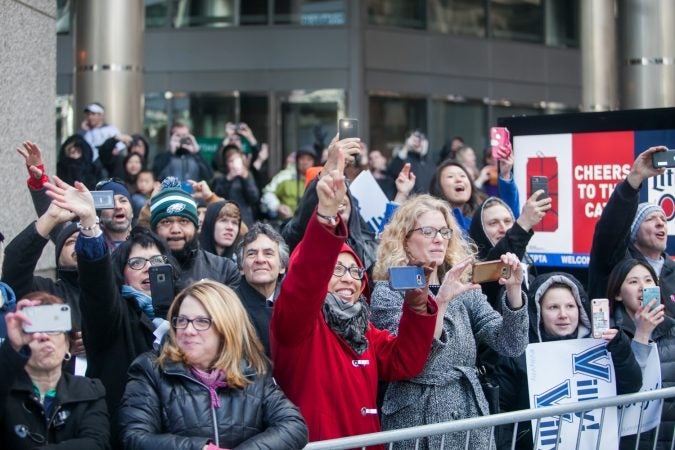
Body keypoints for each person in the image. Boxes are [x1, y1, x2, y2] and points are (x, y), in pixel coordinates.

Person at [271, 151, 440, 444]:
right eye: (337, 269)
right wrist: (325, 214)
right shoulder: (299, 326)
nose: (349, 278)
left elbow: (405, 363)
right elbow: (304, 282)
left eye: (354, 271)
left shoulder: (364, 330)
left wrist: (416, 305)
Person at [370, 194, 528, 449]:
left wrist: (513, 291)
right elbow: (409, 362)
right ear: (406, 240)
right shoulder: (388, 291)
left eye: (444, 231)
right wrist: (439, 302)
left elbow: (511, 345)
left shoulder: (463, 287)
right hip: (416, 417)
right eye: (428, 230)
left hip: (468, 414)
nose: (439, 238)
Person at [118, 280, 308, 450]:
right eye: (182, 320)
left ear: (227, 327)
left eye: (202, 321)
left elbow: (294, 426)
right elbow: (135, 438)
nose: (188, 330)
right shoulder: (151, 369)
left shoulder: (251, 372)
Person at [495, 271, 643, 450]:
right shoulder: (518, 353)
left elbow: (632, 386)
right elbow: (502, 411)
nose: (563, 314)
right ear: (538, 312)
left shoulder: (605, 345)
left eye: (570, 306)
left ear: (580, 309)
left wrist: (620, 349)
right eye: (553, 307)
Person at [1, 292, 110, 450]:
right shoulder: (5, 388)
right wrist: (11, 349)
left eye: (53, 327)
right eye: (34, 329)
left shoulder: (90, 390)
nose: (44, 336)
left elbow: (97, 443)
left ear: (68, 344)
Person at [588, 146, 674, 310]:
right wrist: (634, 179)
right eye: (650, 219)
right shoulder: (615, 262)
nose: (660, 223)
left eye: (663, 219)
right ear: (633, 231)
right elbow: (611, 229)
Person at [606, 259, 673, 449]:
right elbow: (628, 385)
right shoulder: (611, 335)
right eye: (633, 282)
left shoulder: (673, 330)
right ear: (618, 293)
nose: (643, 288)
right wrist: (642, 334)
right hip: (629, 441)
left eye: (648, 281)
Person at [149, 179, 240, 291]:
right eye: (166, 222)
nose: (175, 230)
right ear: (154, 229)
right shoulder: (142, 269)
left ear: (196, 226)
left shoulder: (224, 270)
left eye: (183, 221)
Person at [235, 223, 289, 356]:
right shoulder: (228, 304)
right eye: (252, 254)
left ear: (282, 266)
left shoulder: (293, 303)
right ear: (241, 267)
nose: (260, 259)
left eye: (268, 253)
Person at [210, 145, 260, 227]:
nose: (234, 164)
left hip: (245, 220)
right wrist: (228, 179)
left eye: (236, 160)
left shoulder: (247, 176)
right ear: (226, 163)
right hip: (225, 218)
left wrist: (245, 179)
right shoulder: (220, 178)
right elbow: (217, 197)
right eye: (231, 161)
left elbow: (253, 198)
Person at [387, 130, 435, 195]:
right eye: (415, 139)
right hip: (411, 201)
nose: (418, 142)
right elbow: (392, 171)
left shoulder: (430, 162)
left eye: (422, 139)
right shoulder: (404, 159)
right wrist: (406, 147)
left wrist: (424, 149)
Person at [95, 178, 134, 249]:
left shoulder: (147, 243)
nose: (118, 206)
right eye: (110, 202)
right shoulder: (93, 247)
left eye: (123, 201)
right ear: (99, 215)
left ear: (132, 212)